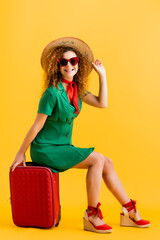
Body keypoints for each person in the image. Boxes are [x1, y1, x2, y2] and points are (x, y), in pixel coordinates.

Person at [9, 37, 150, 233]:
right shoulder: (51, 93)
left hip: (63, 147)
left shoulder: (78, 90)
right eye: (64, 62)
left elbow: (102, 103)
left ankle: (129, 210)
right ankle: (92, 215)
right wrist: (20, 153)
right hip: (46, 149)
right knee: (97, 160)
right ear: (56, 66)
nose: (69, 65)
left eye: (73, 61)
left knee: (106, 162)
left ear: (78, 65)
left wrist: (103, 75)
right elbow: (36, 126)